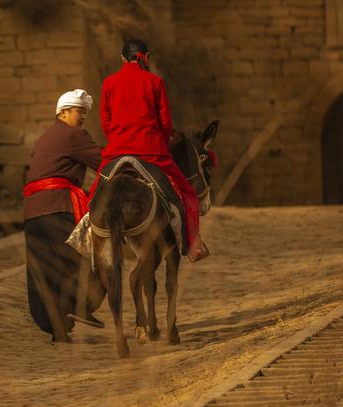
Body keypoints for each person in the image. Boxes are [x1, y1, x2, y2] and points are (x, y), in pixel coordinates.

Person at [88, 39, 208, 261]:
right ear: (147, 57)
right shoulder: (155, 82)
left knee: (93, 197)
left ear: (122, 58)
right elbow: (165, 123)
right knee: (187, 194)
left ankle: (86, 243)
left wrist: (118, 140)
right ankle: (193, 246)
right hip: (151, 152)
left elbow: (106, 121)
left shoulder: (109, 82)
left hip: (117, 151)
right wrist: (161, 144)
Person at [23, 89, 106, 342]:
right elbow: (102, 160)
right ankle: (80, 304)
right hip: (58, 205)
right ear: (64, 112)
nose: (82, 118)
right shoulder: (73, 135)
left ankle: (56, 328)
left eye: (84, 113)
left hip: (32, 211)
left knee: (44, 270)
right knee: (85, 254)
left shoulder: (44, 138)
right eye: (79, 112)